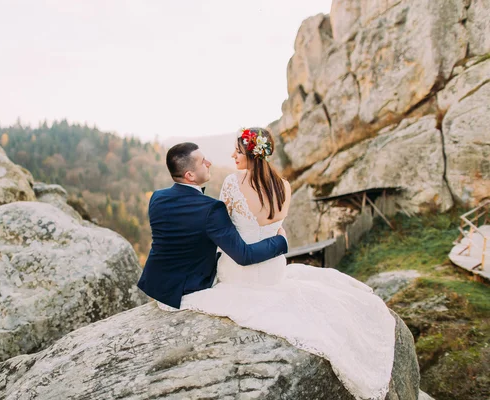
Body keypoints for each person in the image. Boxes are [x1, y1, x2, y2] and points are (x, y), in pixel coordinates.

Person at [163, 128, 397, 400]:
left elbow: (223, 228)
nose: (232, 155)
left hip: (240, 272)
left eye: (237, 151)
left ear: (250, 155)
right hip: (274, 269)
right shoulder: (283, 186)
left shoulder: (232, 183)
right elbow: (277, 229)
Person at [137, 141, 289, 310]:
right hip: (187, 290)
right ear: (190, 175)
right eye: (203, 161)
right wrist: (281, 240)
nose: (209, 163)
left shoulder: (157, 197)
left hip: (158, 286)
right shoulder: (212, 209)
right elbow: (244, 255)